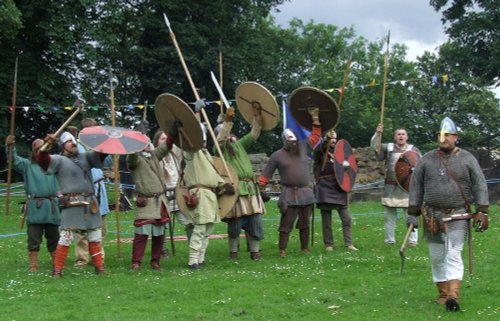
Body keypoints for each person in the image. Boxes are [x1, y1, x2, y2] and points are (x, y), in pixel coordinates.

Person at [407, 117, 489, 312]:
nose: (443, 138)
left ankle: (453, 295)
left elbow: (479, 184)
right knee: (436, 256)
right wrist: (412, 211)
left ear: (455, 137)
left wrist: (483, 211)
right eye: (440, 135)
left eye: (447, 135)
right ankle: (443, 293)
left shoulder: (467, 158)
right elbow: (416, 186)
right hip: (432, 215)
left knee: (453, 253)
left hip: (458, 214)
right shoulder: (426, 159)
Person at [36, 131, 106, 277]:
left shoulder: (86, 156)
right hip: (72, 203)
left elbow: (101, 154)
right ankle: (57, 270)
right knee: (66, 237)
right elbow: (43, 160)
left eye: (73, 141)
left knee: (94, 235)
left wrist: (104, 141)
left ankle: (99, 268)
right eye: (68, 141)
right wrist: (47, 145)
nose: (73, 143)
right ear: (62, 146)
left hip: (89, 203)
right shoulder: (59, 160)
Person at [258, 107, 321, 257]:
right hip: (288, 193)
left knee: (305, 222)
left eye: (294, 140)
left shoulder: (304, 147)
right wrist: (261, 188)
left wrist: (315, 118)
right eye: (290, 141)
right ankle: (282, 249)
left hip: (305, 191)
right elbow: (266, 174)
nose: (293, 143)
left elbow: (316, 136)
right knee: (286, 224)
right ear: (285, 141)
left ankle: (304, 247)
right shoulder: (277, 156)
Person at [180, 118, 234, 269]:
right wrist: (192, 122)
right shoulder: (191, 154)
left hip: (210, 195)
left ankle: (201, 258)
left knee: (208, 229)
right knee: (200, 228)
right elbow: (187, 146)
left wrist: (225, 185)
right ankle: (192, 261)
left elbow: (212, 176)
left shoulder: (206, 154)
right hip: (200, 194)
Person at [214, 106, 265, 261]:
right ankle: (233, 253)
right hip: (234, 190)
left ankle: (255, 253)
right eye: (227, 134)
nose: (230, 136)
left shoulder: (240, 145)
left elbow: (254, 134)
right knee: (235, 225)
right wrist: (228, 120)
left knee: (255, 221)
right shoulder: (219, 149)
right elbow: (221, 138)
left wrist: (256, 117)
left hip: (250, 189)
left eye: (231, 134)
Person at [5, 135, 61, 272]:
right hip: (36, 207)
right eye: (37, 149)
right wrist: (10, 147)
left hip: (51, 206)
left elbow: (65, 156)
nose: (40, 151)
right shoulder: (27, 165)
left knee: (54, 237)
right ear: (33, 151)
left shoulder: (54, 164)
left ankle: (56, 264)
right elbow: (13, 160)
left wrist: (54, 141)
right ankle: (33, 266)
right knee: (34, 238)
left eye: (43, 148)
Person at [126, 132, 175, 271]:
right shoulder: (134, 159)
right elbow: (132, 157)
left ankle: (155, 261)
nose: (147, 144)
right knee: (141, 234)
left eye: (147, 142)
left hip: (159, 201)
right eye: (144, 143)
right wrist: (136, 145)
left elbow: (165, 147)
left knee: (159, 234)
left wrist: (174, 132)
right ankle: (136, 263)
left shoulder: (153, 155)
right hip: (146, 201)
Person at [371, 124, 421, 246]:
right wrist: (377, 134)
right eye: (398, 134)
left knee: (410, 215)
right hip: (391, 187)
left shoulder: (413, 150)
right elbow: (375, 148)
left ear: (407, 137)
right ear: (395, 137)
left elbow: (420, 165)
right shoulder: (388, 148)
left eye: (403, 134)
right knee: (389, 217)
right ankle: (389, 240)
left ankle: (413, 241)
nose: (401, 136)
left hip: (407, 188)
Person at [73, 118, 111, 268]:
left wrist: (105, 150)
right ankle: (82, 259)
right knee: (82, 227)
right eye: (88, 128)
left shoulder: (100, 146)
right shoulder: (77, 146)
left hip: (99, 188)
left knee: (101, 227)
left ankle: (98, 257)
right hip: (84, 189)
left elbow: (106, 163)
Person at [312, 129, 358, 252]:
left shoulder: (341, 153)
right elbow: (318, 150)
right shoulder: (321, 152)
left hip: (339, 187)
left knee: (346, 218)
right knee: (326, 219)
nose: (333, 140)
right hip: (325, 187)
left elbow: (349, 167)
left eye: (335, 138)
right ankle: (329, 245)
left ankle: (348, 243)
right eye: (331, 138)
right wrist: (324, 141)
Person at [152, 130, 184, 258]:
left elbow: (181, 143)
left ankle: (195, 249)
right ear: (156, 142)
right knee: (162, 225)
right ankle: (163, 250)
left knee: (187, 221)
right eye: (162, 139)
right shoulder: (154, 156)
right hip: (162, 195)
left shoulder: (174, 154)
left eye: (166, 138)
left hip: (177, 193)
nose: (165, 141)